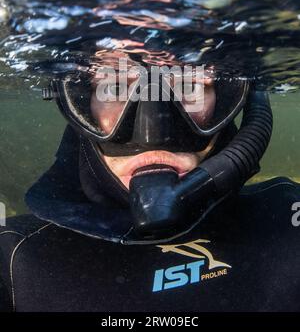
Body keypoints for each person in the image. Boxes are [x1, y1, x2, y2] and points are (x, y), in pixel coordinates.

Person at [0, 48, 299, 313]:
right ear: (78, 106)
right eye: (114, 87)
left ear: (230, 100)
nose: (152, 135)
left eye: (189, 84)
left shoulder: (290, 218)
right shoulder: (11, 257)